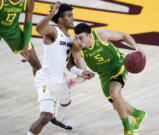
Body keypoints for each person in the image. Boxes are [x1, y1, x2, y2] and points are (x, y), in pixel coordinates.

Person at [26, 3, 94, 135]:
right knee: (46, 116)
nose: (72, 18)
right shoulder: (53, 31)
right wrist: (51, 14)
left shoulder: (70, 39)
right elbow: (39, 29)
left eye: (72, 15)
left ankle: (58, 118)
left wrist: (82, 72)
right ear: (61, 19)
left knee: (66, 102)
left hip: (60, 79)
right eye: (69, 16)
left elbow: (69, 65)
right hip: (46, 79)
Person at [71, 23, 147, 135]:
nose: (78, 41)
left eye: (81, 38)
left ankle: (128, 131)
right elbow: (84, 74)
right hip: (103, 75)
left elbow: (124, 36)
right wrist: (76, 81)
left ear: (89, 36)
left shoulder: (101, 34)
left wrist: (136, 47)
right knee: (117, 106)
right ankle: (138, 114)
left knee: (114, 92)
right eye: (76, 38)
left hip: (118, 66)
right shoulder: (76, 48)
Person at [0, 0, 41, 75]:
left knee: (37, 66)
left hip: (12, 30)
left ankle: (41, 86)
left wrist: (25, 45)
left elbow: (28, 26)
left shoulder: (28, 2)